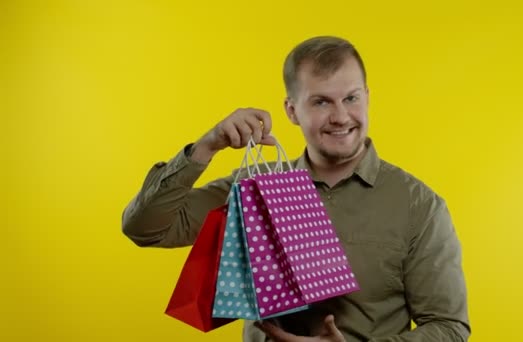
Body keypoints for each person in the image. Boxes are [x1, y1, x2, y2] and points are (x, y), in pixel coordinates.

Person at [122, 36, 470, 341]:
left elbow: (449, 327)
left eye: (351, 98)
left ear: (367, 97)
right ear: (291, 110)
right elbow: (146, 229)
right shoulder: (253, 188)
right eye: (321, 102)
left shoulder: (419, 206)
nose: (340, 116)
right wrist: (205, 147)